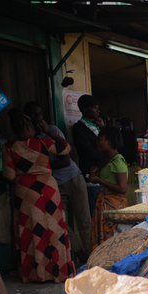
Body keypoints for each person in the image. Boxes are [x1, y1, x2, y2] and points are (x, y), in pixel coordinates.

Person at [2, 109, 74, 282]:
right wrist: (49, 131)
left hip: (25, 192)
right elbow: (66, 148)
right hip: (49, 189)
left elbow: (10, 175)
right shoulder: (43, 142)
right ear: (28, 126)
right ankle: (59, 272)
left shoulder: (8, 147)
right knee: (55, 229)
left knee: (31, 231)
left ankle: (37, 274)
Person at [23, 102, 92, 260]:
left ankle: (92, 256)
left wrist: (42, 167)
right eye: (34, 114)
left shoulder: (51, 130)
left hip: (73, 178)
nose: (39, 117)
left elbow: (66, 159)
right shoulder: (28, 139)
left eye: (40, 113)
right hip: (55, 184)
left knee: (84, 220)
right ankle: (81, 255)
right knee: (61, 223)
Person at [87, 126, 129, 251]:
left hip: (113, 207)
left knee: (112, 244)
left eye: (100, 140)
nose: (97, 143)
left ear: (109, 142)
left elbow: (122, 188)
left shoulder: (118, 161)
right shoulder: (109, 160)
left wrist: (99, 180)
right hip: (105, 206)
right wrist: (98, 175)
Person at [72, 94, 107, 175]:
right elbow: (89, 153)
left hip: (103, 172)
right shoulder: (79, 128)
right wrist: (107, 152)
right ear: (85, 109)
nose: (98, 110)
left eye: (98, 108)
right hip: (91, 173)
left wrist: (103, 128)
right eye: (95, 108)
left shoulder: (97, 125)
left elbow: (109, 142)